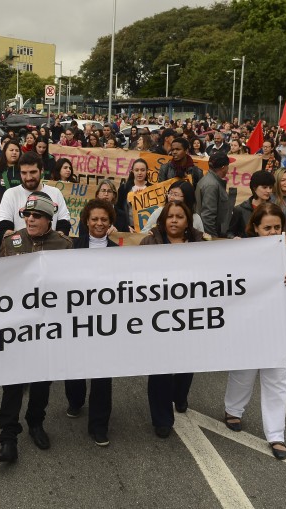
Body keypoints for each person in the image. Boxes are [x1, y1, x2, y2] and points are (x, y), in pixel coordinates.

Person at [223, 203, 286, 461]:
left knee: (277, 380)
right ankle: (233, 410)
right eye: (267, 228)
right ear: (255, 228)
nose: (273, 232)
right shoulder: (241, 252)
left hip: (279, 327)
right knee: (243, 371)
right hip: (248, 324)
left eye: (277, 227)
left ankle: (276, 434)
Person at [0, 191, 72, 463]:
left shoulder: (63, 245)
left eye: (36, 215)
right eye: (26, 215)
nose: (30, 219)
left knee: (41, 380)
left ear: (49, 219)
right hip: (16, 325)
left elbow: (70, 287)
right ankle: (8, 436)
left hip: (47, 326)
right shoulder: (11, 241)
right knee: (12, 383)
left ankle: (36, 422)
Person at [140, 200, 202, 438]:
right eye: (170, 216)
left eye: (179, 217)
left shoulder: (200, 245)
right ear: (163, 220)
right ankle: (162, 419)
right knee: (160, 368)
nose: (174, 220)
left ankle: (180, 393)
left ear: (188, 222)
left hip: (190, 313)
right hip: (158, 316)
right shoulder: (149, 242)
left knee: (187, 363)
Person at [64, 199, 117, 446]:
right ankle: (75, 401)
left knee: (103, 374)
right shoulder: (72, 248)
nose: (98, 223)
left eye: (103, 219)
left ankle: (99, 425)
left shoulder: (119, 252)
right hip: (76, 318)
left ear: (110, 223)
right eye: (94, 219)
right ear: (86, 221)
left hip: (106, 322)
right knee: (75, 367)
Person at [0, 151, 72, 236]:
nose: (28, 177)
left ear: (41, 170)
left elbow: (64, 223)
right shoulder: (10, 194)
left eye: (33, 172)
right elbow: (3, 226)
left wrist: (54, 240)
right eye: (24, 173)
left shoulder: (55, 193)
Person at [227, 170, 275, 239]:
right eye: (264, 187)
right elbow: (230, 232)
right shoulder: (240, 209)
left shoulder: (274, 208)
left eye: (270, 187)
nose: (268, 191)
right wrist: (234, 238)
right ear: (254, 188)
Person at [195, 152, 232, 239]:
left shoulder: (211, 182)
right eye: (227, 166)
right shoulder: (211, 185)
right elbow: (208, 217)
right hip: (212, 236)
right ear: (223, 167)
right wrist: (213, 239)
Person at [118, 158, 150, 232]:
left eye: (142, 170)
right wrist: (125, 227)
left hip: (148, 229)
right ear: (132, 171)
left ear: (147, 171)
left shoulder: (153, 188)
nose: (139, 173)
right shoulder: (124, 188)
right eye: (136, 170)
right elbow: (118, 209)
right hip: (129, 229)